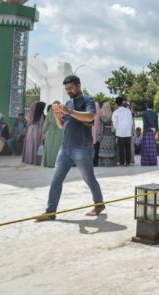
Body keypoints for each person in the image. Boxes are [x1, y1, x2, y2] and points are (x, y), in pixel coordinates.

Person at [36, 75, 104, 221]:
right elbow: (62, 125)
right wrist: (56, 115)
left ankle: (99, 204)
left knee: (89, 178)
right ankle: (50, 212)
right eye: (66, 89)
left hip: (82, 148)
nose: (69, 91)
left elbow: (90, 117)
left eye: (71, 88)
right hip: (65, 148)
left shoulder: (88, 100)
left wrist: (69, 111)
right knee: (56, 180)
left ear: (79, 85)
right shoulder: (68, 102)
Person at [21, 101, 45, 165]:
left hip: (30, 132)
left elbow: (28, 124)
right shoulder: (41, 115)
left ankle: (29, 159)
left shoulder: (30, 114)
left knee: (30, 145)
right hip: (37, 131)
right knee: (36, 145)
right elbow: (41, 124)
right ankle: (35, 161)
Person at [112, 97, 133, 166]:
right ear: (122, 102)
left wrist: (117, 130)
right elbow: (131, 122)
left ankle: (121, 162)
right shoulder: (128, 111)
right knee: (128, 148)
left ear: (116, 103)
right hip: (127, 133)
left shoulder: (115, 112)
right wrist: (129, 129)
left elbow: (114, 123)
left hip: (119, 133)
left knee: (121, 149)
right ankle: (128, 162)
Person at [42, 102, 63, 168]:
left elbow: (45, 125)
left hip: (50, 134)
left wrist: (43, 132)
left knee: (50, 148)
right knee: (58, 148)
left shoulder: (49, 114)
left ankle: (50, 163)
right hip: (60, 134)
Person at [97, 102, 116, 167]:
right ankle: (111, 163)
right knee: (111, 148)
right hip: (111, 134)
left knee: (104, 147)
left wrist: (99, 135)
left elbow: (101, 127)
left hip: (104, 133)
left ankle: (103, 163)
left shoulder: (102, 116)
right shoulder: (112, 114)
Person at [140, 102, 159, 166]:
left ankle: (146, 162)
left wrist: (150, 128)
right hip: (154, 132)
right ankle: (153, 162)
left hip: (147, 132)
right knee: (153, 149)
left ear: (146, 105)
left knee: (146, 148)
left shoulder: (144, 113)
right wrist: (157, 133)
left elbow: (145, 123)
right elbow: (156, 124)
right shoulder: (155, 114)